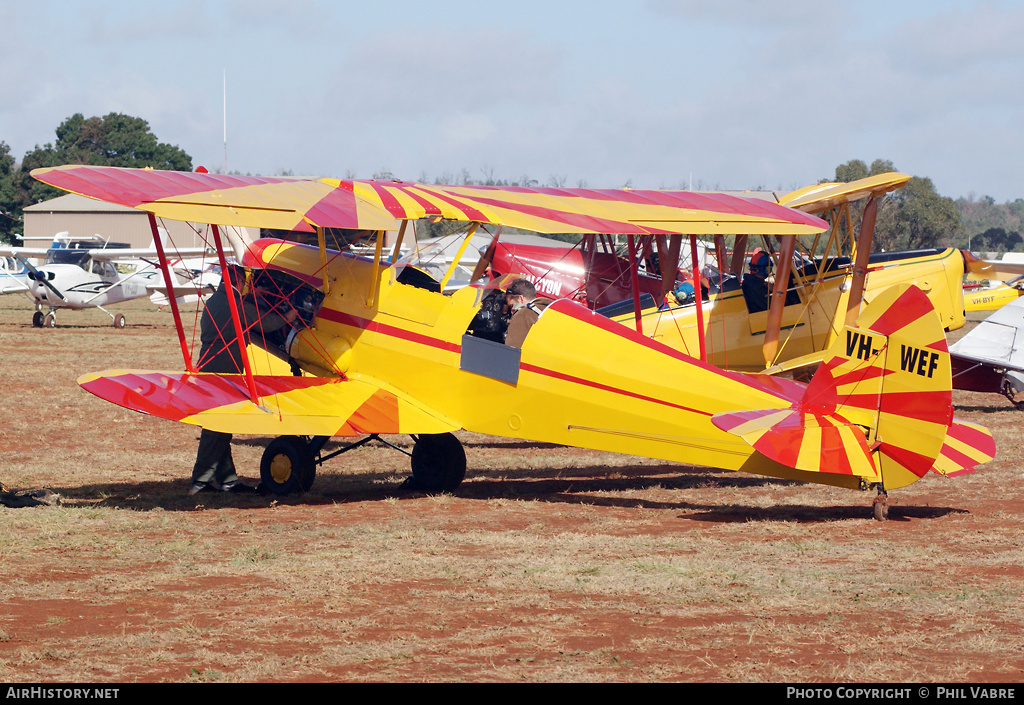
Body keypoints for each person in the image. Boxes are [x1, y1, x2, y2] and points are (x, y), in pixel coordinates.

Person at [189, 267, 297, 495]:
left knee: (221, 426)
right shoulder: (237, 306)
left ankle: (227, 480)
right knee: (216, 427)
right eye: (245, 281)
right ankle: (200, 481)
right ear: (239, 281)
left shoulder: (214, 302)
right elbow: (266, 323)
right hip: (225, 370)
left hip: (207, 366)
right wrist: (289, 317)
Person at [503, 279, 549, 348]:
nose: (511, 312)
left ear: (521, 298)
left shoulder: (523, 314)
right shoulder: (548, 309)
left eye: (512, 306)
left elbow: (512, 350)